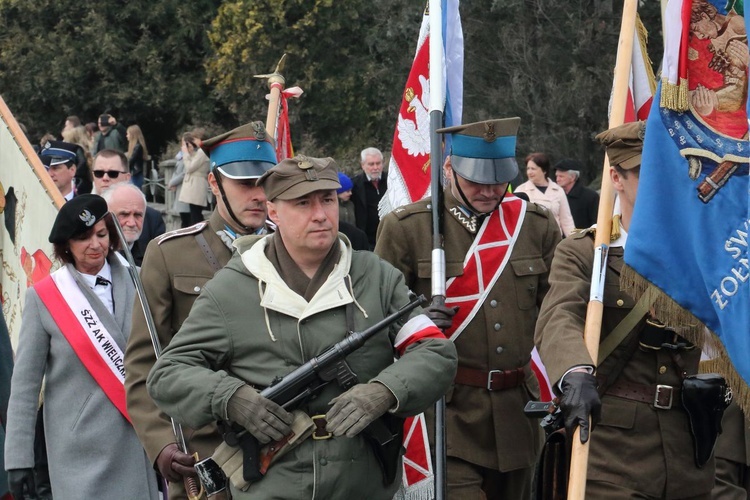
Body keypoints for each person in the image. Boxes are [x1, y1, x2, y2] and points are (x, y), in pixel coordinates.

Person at [146, 155, 457, 499]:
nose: (321, 214)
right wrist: (231, 397)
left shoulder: (376, 277)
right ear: (273, 212)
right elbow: (169, 373)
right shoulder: (232, 288)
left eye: (327, 199)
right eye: (303, 203)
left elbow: (435, 351)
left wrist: (385, 391)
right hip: (274, 484)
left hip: (363, 481)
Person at [375, 118, 561, 498]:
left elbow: (557, 311)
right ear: (449, 168)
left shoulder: (535, 224)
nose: (491, 191)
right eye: (477, 179)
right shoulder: (409, 227)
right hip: (446, 413)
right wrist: (415, 324)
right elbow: (377, 317)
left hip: (518, 412)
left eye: (499, 180)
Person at [534, 121, 715, 498]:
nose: (661, 184)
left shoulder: (708, 251)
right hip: (610, 447)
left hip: (692, 444)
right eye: (646, 173)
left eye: (669, 171)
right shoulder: (587, 250)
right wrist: (574, 371)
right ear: (616, 177)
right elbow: (559, 316)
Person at [125, 122, 278, 500]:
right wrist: (161, 443)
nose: (258, 195)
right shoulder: (170, 254)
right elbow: (146, 361)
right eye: (245, 184)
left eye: (266, 183)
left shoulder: (292, 249)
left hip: (286, 444)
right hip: (206, 450)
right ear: (213, 184)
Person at [4, 195, 159, 499]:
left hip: (142, 437)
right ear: (66, 246)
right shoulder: (45, 297)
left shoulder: (141, 280)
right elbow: (24, 385)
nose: (95, 244)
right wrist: (18, 459)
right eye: (83, 237)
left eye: (101, 234)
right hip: (81, 451)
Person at [91, 149, 165, 248]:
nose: (105, 178)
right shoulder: (82, 214)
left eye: (113, 173)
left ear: (127, 177)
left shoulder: (151, 219)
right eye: (98, 173)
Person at [515, 152, 575, 236]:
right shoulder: (521, 190)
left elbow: (566, 221)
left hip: (554, 241)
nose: (529, 172)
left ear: (544, 170)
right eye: (528, 168)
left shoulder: (558, 190)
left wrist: (573, 242)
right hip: (531, 240)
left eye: (533, 169)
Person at [101, 183, 148, 266]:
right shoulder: (92, 256)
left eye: (137, 215)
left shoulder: (152, 257)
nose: (132, 223)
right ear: (105, 215)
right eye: (124, 214)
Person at [351, 146, 387, 249]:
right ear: (363, 165)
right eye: (371, 164)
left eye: (378, 163)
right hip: (367, 239)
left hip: (389, 234)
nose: (375, 167)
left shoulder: (392, 181)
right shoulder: (355, 185)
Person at [554, 158, 600, 228]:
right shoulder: (555, 196)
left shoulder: (590, 197)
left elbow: (596, 223)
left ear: (573, 177)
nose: (557, 179)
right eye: (556, 176)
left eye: (561, 176)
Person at [178, 132, 210, 225]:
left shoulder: (201, 151)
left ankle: (198, 232)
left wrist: (185, 154)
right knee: (195, 211)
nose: (193, 141)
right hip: (196, 183)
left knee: (196, 213)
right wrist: (190, 152)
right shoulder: (200, 151)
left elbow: (190, 167)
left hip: (197, 184)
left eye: (195, 139)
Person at [61, 125, 94, 195]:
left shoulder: (77, 149)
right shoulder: (81, 149)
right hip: (84, 181)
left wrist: (72, 173)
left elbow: (82, 163)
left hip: (79, 183)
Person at [167, 150, 192, 228]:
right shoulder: (181, 157)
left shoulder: (188, 157)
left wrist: (172, 183)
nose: (182, 147)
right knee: (184, 218)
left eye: (184, 144)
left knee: (187, 219)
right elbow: (176, 172)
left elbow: (184, 174)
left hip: (185, 190)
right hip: (179, 189)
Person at [126, 125, 149, 190]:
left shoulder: (137, 147)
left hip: (135, 173)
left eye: (128, 134)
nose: (127, 136)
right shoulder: (137, 146)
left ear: (132, 135)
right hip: (135, 173)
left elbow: (131, 160)